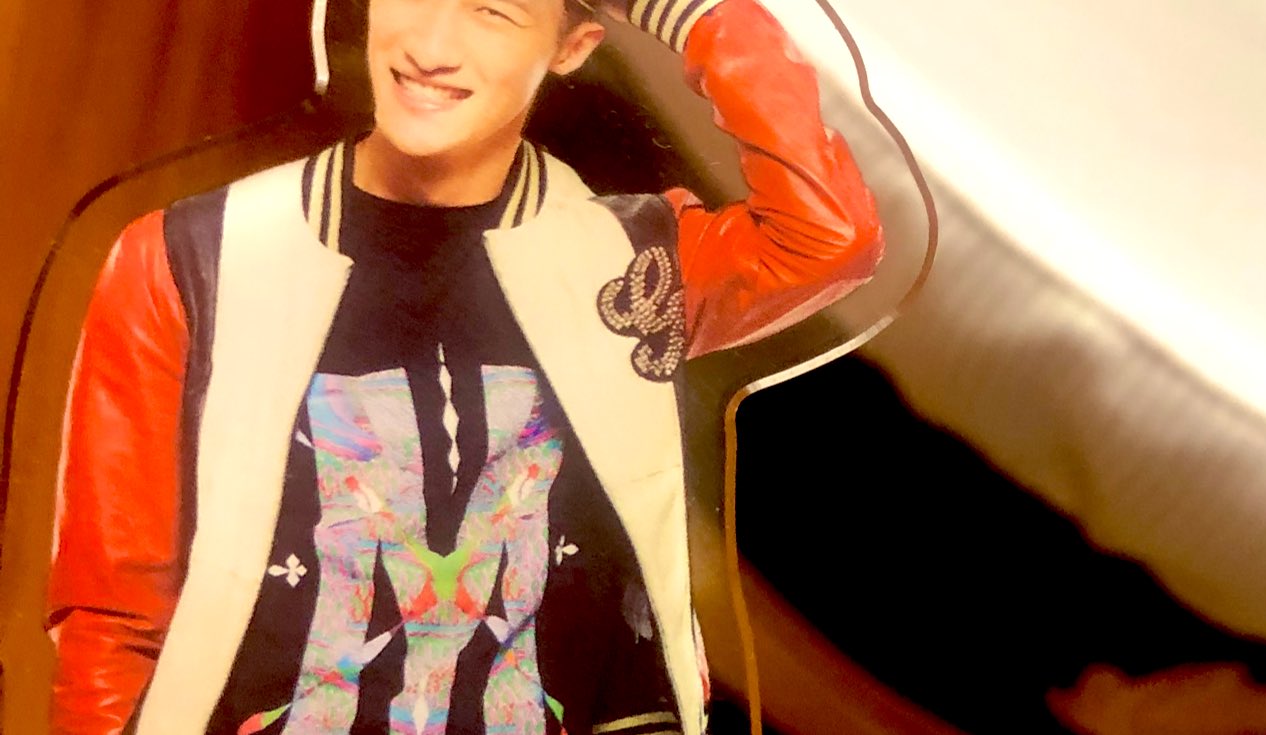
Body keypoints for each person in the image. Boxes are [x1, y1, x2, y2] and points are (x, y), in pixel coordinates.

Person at [45, 0, 882, 731]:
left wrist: (695, 15)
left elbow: (829, 236)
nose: (431, 46)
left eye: (494, 11)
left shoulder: (629, 267)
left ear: (572, 47)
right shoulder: (192, 258)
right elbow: (111, 615)